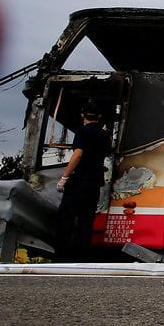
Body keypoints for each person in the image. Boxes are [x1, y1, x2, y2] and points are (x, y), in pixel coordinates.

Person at [54, 100, 112, 261]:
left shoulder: (82, 132)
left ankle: (61, 257)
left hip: (79, 181)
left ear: (82, 115)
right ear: (99, 116)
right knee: (86, 222)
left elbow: (78, 154)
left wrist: (64, 177)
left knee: (67, 219)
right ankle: (81, 258)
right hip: (94, 184)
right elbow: (107, 152)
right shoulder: (105, 135)